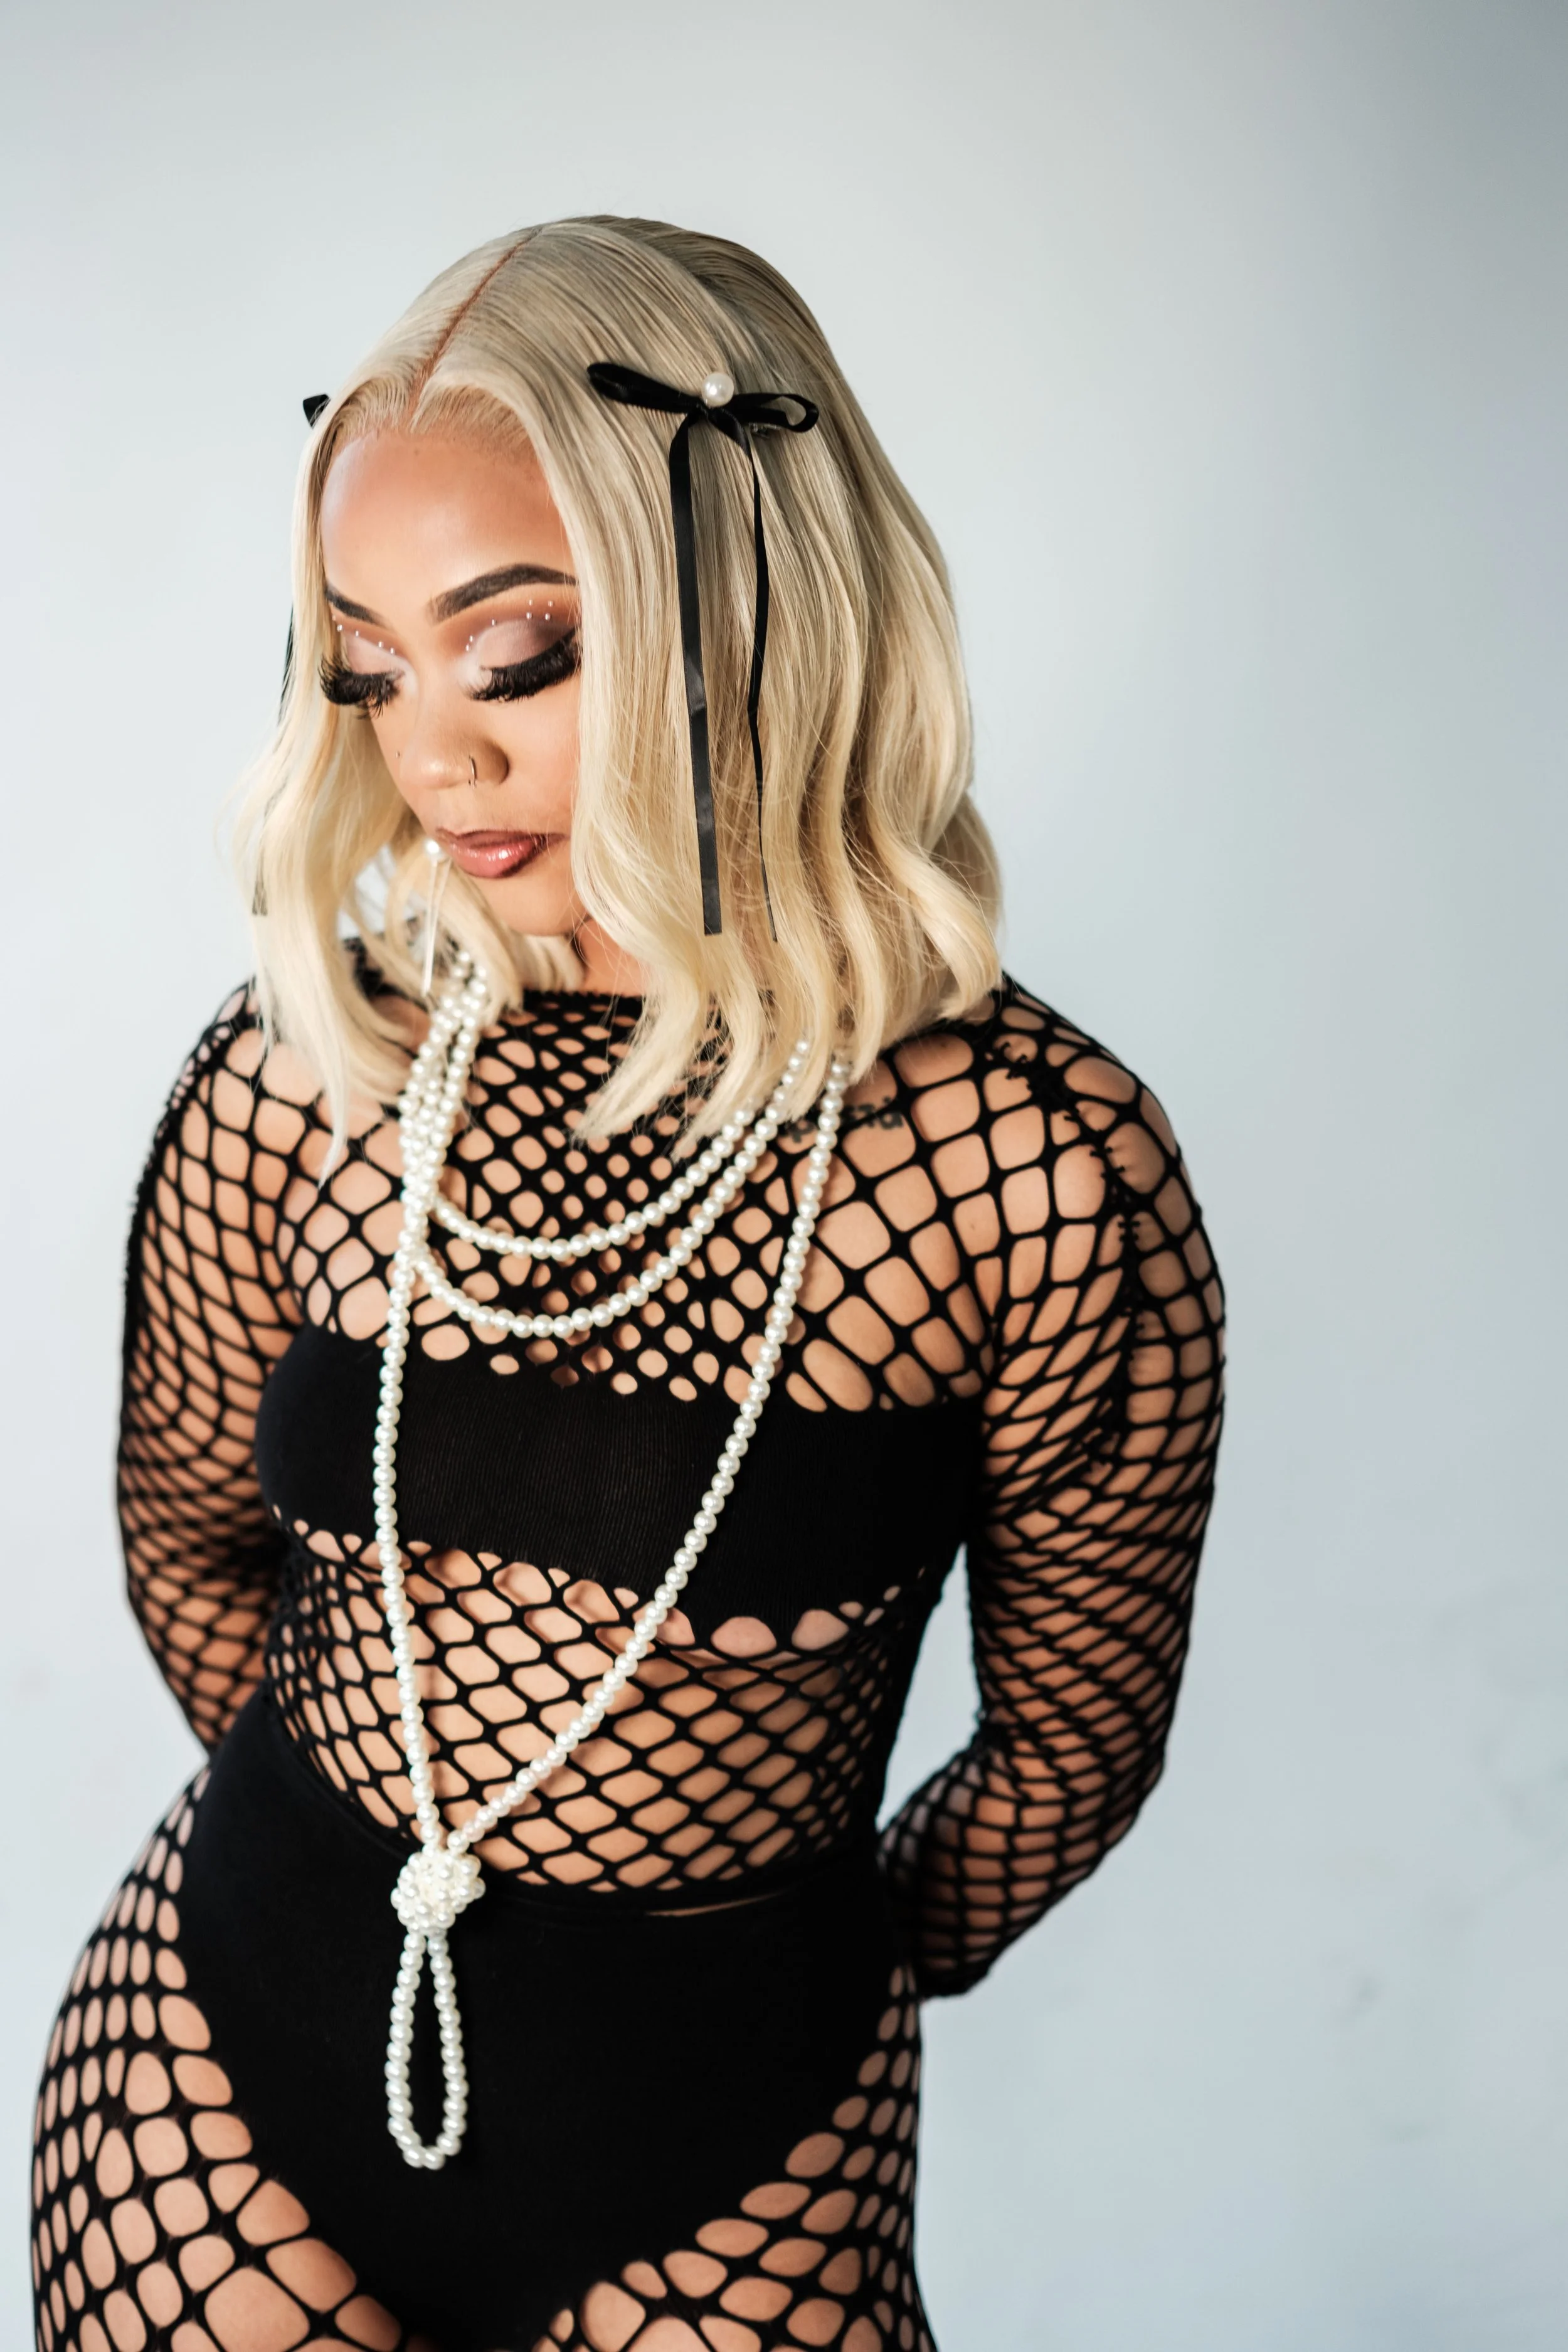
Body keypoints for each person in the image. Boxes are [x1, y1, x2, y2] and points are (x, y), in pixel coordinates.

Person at [31, 215, 1225, 2352]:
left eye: (515, 657)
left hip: (738, 2114)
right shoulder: (311, 1067)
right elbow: (189, 1542)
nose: (434, 754)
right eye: (363, 666)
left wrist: (753, 1982)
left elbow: (1068, 1742)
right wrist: (374, 1859)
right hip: (230, 2056)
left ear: (744, 615)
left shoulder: (1029, 1164)